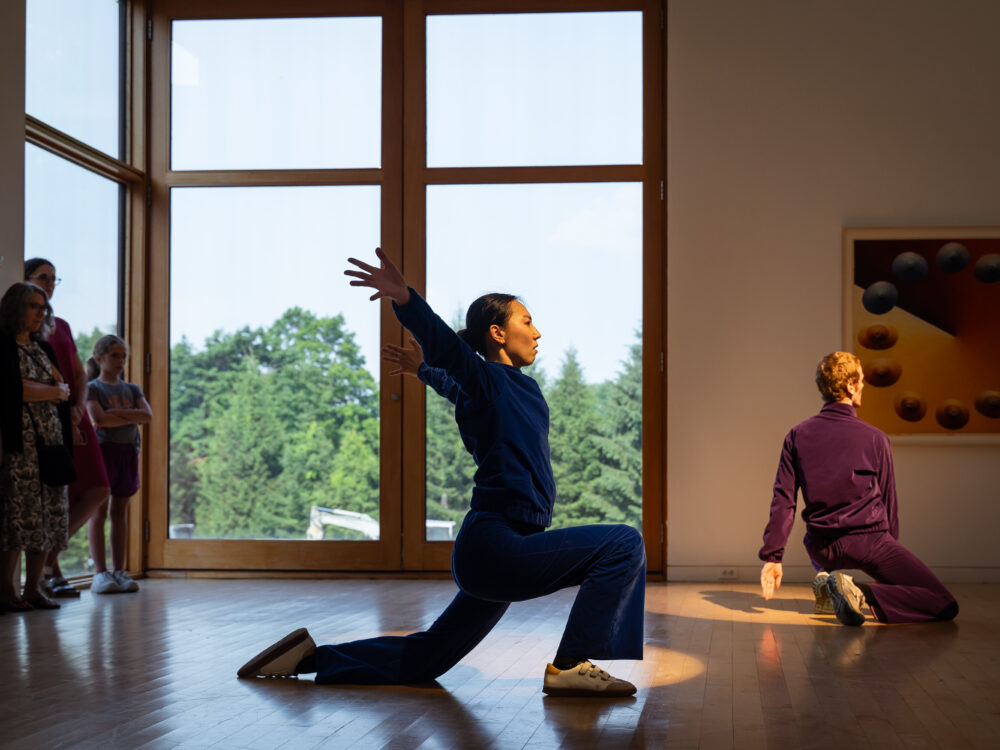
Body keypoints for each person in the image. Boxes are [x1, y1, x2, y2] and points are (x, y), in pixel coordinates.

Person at [238, 247, 646, 697]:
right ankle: (571, 664)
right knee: (623, 542)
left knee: (427, 658)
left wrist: (423, 372)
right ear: (496, 332)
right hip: (496, 545)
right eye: (526, 322)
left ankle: (310, 659)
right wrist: (405, 299)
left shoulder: (508, 388)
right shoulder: (486, 378)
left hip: (511, 546)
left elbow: (456, 386)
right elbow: (452, 354)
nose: (537, 332)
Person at [758, 351, 959, 626]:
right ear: (850, 386)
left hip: (821, 548)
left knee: (823, 549)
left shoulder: (797, 435)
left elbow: (784, 500)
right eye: (861, 380)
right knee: (944, 602)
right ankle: (859, 592)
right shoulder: (875, 438)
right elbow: (889, 502)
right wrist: (886, 569)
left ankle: (829, 581)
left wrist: (773, 556)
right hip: (870, 544)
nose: (864, 385)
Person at [24, 258, 114, 596]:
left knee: (98, 488)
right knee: (54, 493)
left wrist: (79, 406)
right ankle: (47, 571)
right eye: (42, 277)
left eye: (53, 279)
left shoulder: (59, 324)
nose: (49, 284)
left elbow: (78, 373)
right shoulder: (24, 326)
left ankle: (49, 557)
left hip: (75, 415)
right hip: (49, 419)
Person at [0, 282, 72, 611]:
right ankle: (6, 591)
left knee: (47, 514)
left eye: (43, 308)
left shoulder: (43, 348)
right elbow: (14, 391)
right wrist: (49, 391)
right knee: (19, 515)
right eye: (34, 305)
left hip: (51, 441)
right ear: (16, 307)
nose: (40, 313)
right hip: (21, 442)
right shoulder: (3, 346)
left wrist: (46, 390)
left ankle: (33, 589)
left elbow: (64, 387)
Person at [85, 335, 152, 594]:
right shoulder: (93, 388)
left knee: (120, 513)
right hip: (104, 452)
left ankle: (119, 570)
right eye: (115, 356)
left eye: (123, 356)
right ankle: (100, 573)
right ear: (100, 358)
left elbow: (147, 415)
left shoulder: (133, 389)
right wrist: (125, 416)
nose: (120, 361)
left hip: (127, 453)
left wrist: (116, 414)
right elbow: (99, 420)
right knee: (99, 513)